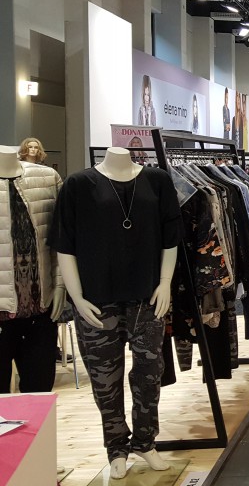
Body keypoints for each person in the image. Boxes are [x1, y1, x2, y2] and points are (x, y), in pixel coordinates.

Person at [50, 146, 181, 479]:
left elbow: (171, 237)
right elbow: (64, 244)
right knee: (105, 381)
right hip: (97, 301)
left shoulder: (157, 180)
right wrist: (76, 297)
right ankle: (116, 449)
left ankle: (145, 442)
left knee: (150, 374)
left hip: (147, 298)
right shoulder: (79, 184)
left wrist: (165, 282)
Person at [0, 145, 65, 394]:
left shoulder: (47, 178)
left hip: (41, 310)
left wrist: (59, 283)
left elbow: (61, 240)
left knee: (39, 394)